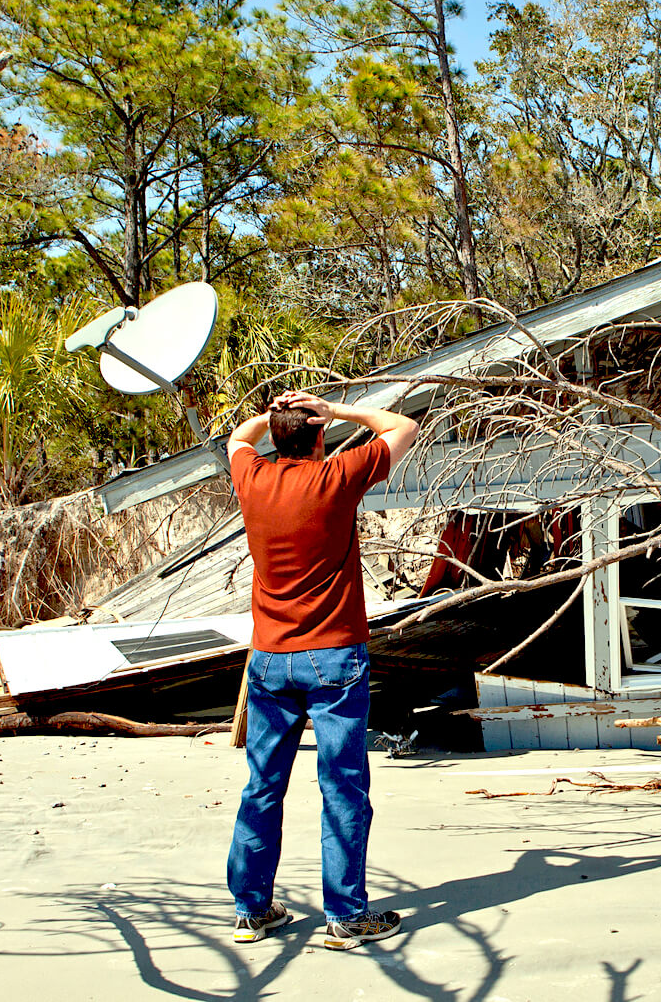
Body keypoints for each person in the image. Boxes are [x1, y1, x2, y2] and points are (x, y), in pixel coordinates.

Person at [224, 389, 419, 951]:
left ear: (276, 437)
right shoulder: (335, 476)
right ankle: (345, 915)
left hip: (269, 659)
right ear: (317, 437)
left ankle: (251, 909)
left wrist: (278, 416)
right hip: (333, 654)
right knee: (342, 788)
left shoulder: (253, 479)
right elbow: (400, 425)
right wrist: (335, 410)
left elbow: (238, 438)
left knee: (263, 785)